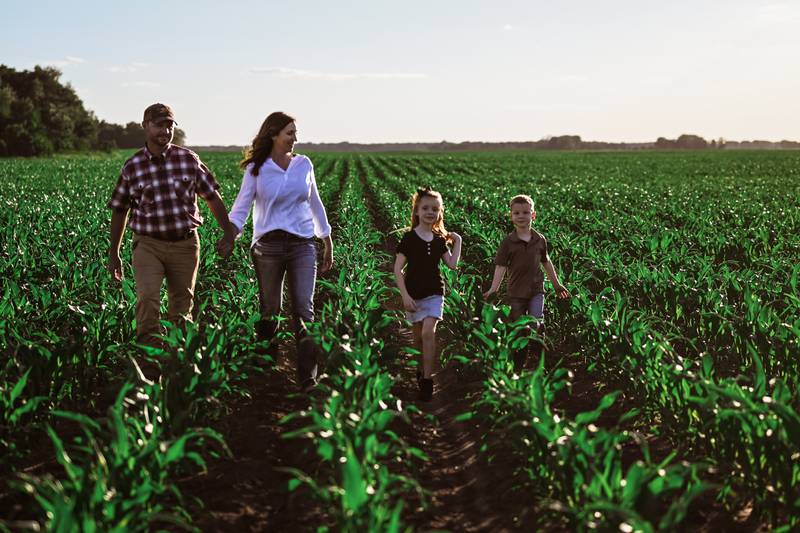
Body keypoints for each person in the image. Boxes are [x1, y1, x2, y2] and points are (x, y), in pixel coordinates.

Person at [107, 103, 236, 377]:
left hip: (185, 244)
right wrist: (113, 252)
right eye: (159, 125)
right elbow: (120, 209)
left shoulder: (188, 159)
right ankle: (148, 362)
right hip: (148, 244)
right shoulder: (133, 166)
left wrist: (228, 231)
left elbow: (212, 197)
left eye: (169, 125)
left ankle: (178, 364)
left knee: (181, 305)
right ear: (146, 126)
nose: (165, 130)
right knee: (148, 298)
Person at [220, 112, 333, 391]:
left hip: (302, 245)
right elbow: (241, 208)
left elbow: (315, 203)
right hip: (268, 246)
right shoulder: (257, 169)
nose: (295, 138)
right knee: (270, 310)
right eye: (289, 133)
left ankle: (308, 378)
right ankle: (266, 372)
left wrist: (327, 238)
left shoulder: (304, 164)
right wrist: (230, 235)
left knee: (304, 311)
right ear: (273, 135)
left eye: (295, 132)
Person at [483, 194, 569, 372]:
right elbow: (500, 267)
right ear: (511, 216)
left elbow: (546, 262)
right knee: (519, 328)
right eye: (516, 213)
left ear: (533, 215)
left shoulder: (540, 240)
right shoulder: (508, 242)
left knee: (536, 324)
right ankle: (518, 364)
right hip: (515, 293)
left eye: (525, 212)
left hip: (537, 290)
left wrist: (556, 284)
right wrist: (493, 289)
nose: (521, 216)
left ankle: (540, 359)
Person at [394, 187, 462, 401]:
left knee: (427, 333)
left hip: (434, 293)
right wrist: (404, 296)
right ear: (416, 212)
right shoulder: (409, 239)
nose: (430, 212)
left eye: (435, 209)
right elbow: (397, 269)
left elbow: (451, 264)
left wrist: (457, 242)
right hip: (414, 295)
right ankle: (420, 370)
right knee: (416, 339)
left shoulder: (439, 240)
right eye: (425, 208)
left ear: (440, 213)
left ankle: (427, 378)